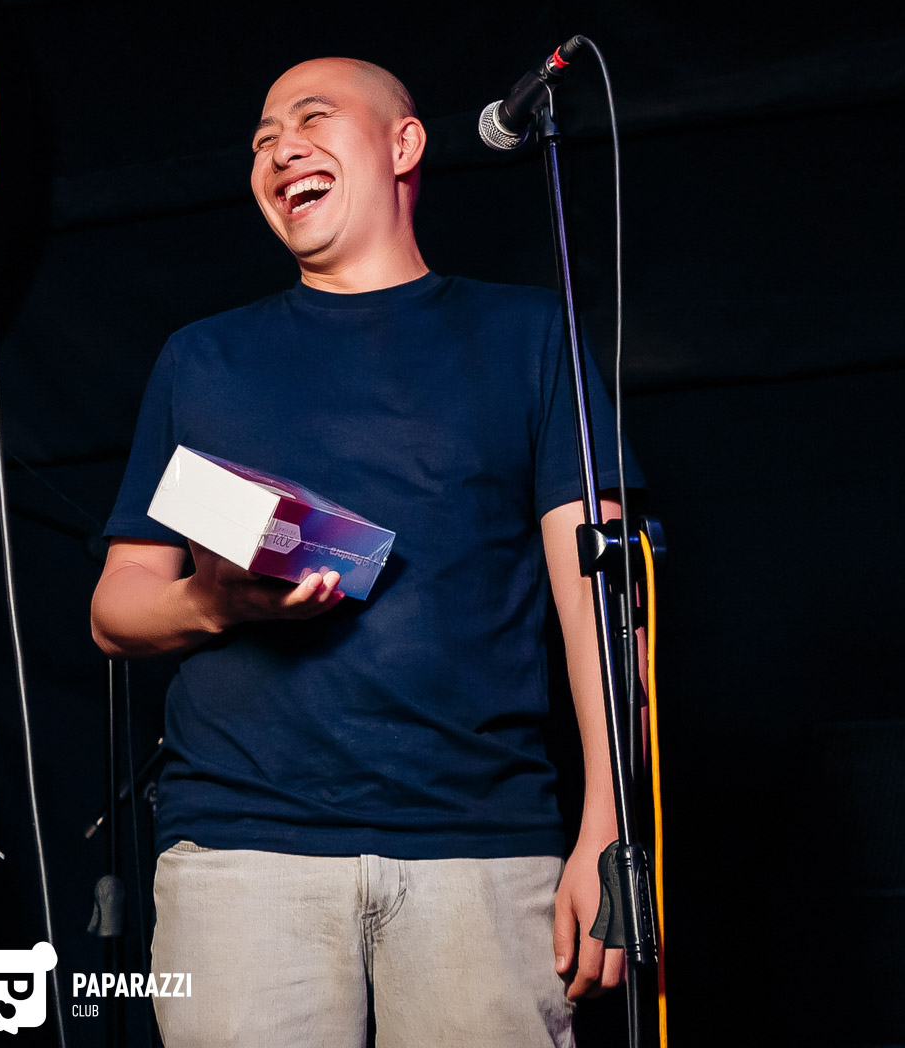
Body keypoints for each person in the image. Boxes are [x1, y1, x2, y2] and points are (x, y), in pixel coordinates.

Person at [91, 57, 643, 1047]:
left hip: (481, 846)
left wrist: (611, 822)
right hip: (241, 851)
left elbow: (598, 595)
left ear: (403, 144)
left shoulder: (526, 333)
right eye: (263, 139)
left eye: (312, 119)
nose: (281, 149)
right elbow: (116, 604)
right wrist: (216, 604)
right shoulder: (203, 356)